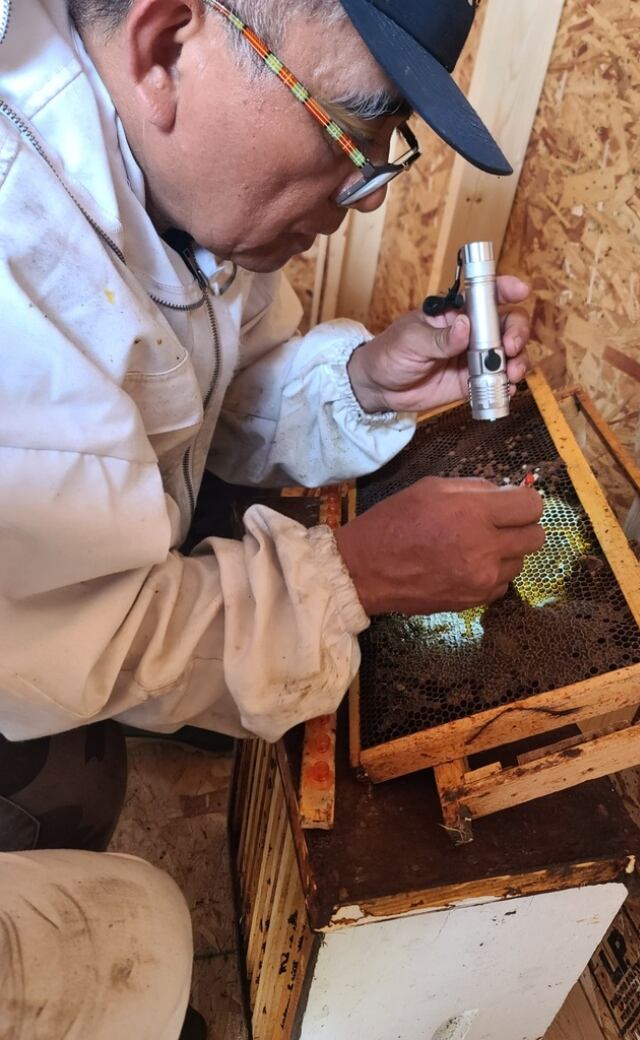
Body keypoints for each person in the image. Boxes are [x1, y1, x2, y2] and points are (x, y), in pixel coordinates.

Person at [0, 0, 545, 1035]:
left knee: (76, 781)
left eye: (384, 158)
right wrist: (354, 573)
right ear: (167, 45)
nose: (360, 201)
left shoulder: (168, 187)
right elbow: (68, 638)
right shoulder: (18, 258)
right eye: (349, 136)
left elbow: (216, 396)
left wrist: (365, 383)